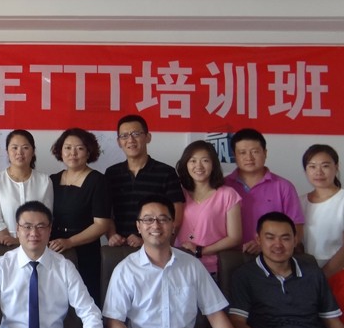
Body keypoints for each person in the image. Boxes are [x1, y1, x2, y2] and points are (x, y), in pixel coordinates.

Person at [103, 195, 249, 328]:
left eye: (163, 219)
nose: (156, 225)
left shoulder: (192, 265)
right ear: (138, 226)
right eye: (148, 219)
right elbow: (113, 319)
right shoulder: (126, 269)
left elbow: (214, 313)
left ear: (173, 226)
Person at [228, 212, 344, 328]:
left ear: (295, 240)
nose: (278, 244)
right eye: (270, 238)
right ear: (258, 240)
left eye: (285, 238)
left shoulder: (313, 273)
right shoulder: (245, 275)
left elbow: (333, 323)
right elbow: (236, 322)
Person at [0, 201, 106, 328]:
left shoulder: (65, 267)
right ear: (18, 229)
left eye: (41, 226)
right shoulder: (1, 266)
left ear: (50, 229)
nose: (34, 233)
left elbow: (89, 311)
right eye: (27, 226)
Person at [299, 145, 344, 328]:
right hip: (308, 278)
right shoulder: (300, 201)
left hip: (343, 277)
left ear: (336, 167)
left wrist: (321, 277)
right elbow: (296, 242)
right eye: (312, 166)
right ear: (306, 170)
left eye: (325, 165)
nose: (318, 172)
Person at [48, 127, 111, 305]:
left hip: (85, 250)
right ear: (60, 151)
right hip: (54, 248)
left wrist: (69, 242)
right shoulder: (52, 180)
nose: (73, 153)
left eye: (80, 148)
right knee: (56, 300)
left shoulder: (98, 180)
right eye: (67, 148)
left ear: (88, 152)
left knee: (85, 300)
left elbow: (102, 224)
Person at [105, 115, 184, 249]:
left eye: (136, 134)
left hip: (154, 248)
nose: (130, 140)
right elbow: (107, 211)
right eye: (124, 136)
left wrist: (150, 242)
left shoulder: (166, 172)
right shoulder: (111, 173)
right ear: (119, 142)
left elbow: (176, 216)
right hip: (119, 247)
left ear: (148, 137)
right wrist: (112, 234)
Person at [223, 128, 304, 254]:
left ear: (265, 153)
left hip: (272, 257)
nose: (249, 157)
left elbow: (297, 229)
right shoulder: (223, 186)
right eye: (242, 152)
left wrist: (265, 245)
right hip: (230, 257)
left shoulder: (284, 187)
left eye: (255, 152)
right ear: (234, 155)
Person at [174, 140, 242, 275]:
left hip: (212, 269)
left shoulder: (228, 194)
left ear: (213, 164)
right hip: (179, 267)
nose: (198, 166)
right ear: (185, 164)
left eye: (205, 160)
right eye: (193, 161)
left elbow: (235, 237)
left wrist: (201, 250)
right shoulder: (178, 193)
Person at [0, 129, 53, 247]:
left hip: (35, 244)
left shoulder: (44, 181)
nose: (19, 152)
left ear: (33, 151)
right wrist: (8, 241)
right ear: (7, 151)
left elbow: (46, 220)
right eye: (14, 148)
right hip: (3, 246)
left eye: (25, 148)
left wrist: (19, 241)